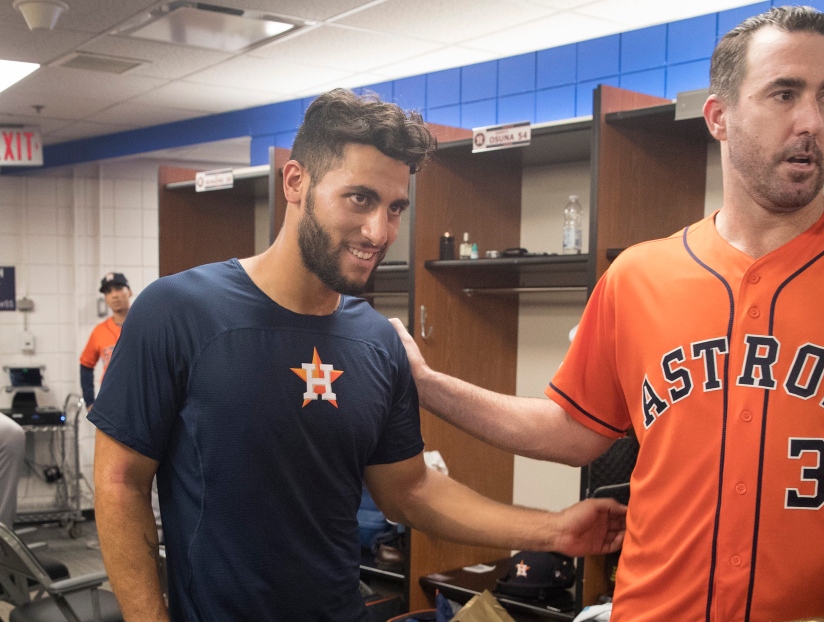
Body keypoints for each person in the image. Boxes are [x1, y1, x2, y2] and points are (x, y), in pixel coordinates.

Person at [389, 7, 824, 622]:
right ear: (719, 116)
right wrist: (427, 386)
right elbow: (570, 432)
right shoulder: (637, 275)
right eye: (784, 94)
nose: (811, 121)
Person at [90, 89, 626, 622]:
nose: (380, 232)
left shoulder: (377, 341)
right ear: (296, 182)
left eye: (395, 208)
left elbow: (410, 491)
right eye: (360, 199)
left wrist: (554, 528)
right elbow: (120, 482)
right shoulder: (178, 311)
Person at [79, 271, 131, 408]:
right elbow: (86, 365)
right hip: (111, 400)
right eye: (108, 292)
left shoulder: (146, 324)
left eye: (119, 289)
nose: (114, 295)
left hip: (143, 397)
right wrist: (89, 401)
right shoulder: (99, 331)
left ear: (129, 292)